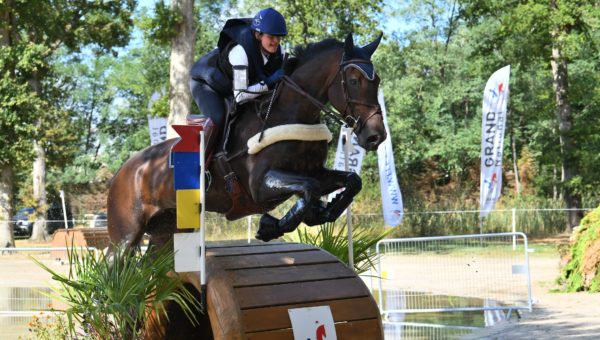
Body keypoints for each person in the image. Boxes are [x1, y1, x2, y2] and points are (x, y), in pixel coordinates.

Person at [189, 7, 287, 156]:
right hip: (206, 84)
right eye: (271, 37)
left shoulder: (279, 52)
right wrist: (269, 82)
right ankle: (200, 165)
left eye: (279, 37)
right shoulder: (241, 52)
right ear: (259, 34)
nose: (276, 41)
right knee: (218, 118)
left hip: (232, 85)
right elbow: (240, 95)